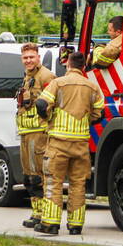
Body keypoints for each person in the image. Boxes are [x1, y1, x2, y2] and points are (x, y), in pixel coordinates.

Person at [34, 51, 104, 235]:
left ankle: (50, 224)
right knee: (78, 184)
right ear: (84, 66)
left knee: (53, 182)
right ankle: (75, 226)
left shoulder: (58, 83)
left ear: (68, 64)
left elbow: (41, 104)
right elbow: (99, 114)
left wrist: (48, 118)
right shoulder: (92, 87)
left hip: (58, 143)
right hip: (81, 145)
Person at [15, 42, 55, 229]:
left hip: (39, 133)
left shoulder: (46, 76)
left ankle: (44, 214)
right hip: (26, 133)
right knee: (29, 176)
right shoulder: (27, 76)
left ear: (38, 57)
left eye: (31, 57)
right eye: (25, 57)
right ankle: (36, 213)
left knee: (40, 176)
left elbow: (55, 103)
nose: (28, 60)